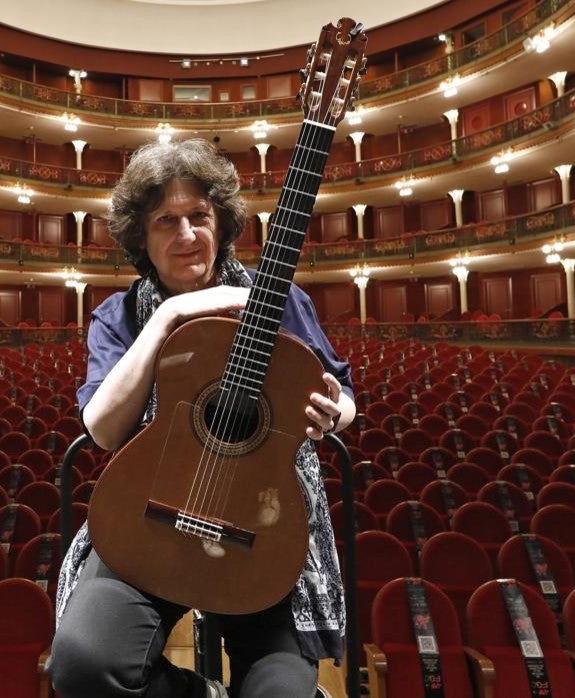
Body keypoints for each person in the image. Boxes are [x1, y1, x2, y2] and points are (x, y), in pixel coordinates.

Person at [50, 138, 356, 698]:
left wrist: (333, 413)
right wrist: (168, 315)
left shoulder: (278, 299)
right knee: (84, 665)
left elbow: (344, 395)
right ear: (141, 237)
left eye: (199, 216)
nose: (187, 234)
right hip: (151, 514)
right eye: (166, 221)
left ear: (222, 222)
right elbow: (103, 429)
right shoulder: (120, 315)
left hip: (262, 523)